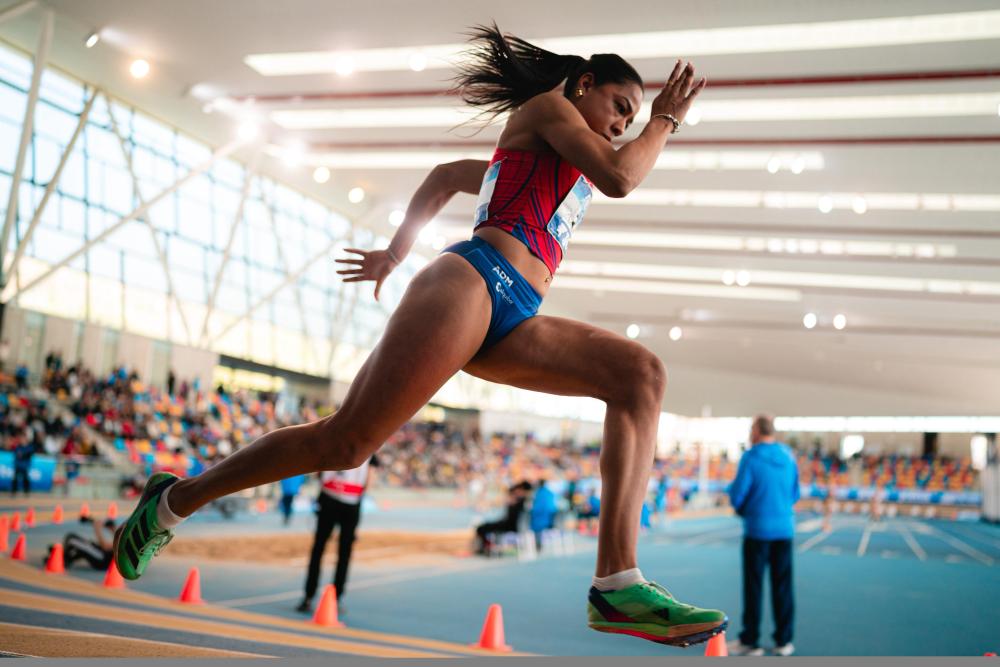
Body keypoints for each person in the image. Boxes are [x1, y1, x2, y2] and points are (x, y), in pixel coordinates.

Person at [113, 24, 722, 647]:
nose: (623, 125)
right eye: (620, 107)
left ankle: (616, 584)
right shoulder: (549, 109)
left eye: (632, 119)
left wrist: (393, 252)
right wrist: (664, 119)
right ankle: (175, 500)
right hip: (472, 282)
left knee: (640, 376)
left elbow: (446, 176)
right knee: (346, 443)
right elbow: (621, 176)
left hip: (517, 315)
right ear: (584, 84)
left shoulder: (557, 159)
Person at [727, 415, 799, 657]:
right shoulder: (788, 456)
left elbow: (738, 494)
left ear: (757, 431)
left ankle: (751, 641)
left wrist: (744, 509)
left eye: (751, 429)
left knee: (754, 587)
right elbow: (795, 493)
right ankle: (784, 641)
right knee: (783, 587)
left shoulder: (751, 457)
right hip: (784, 530)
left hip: (757, 530)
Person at [296, 456, 377, 614]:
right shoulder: (367, 449)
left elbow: (319, 471)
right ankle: (333, 598)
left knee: (322, 549)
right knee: (340, 552)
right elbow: (370, 478)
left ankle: (310, 597)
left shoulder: (336, 445)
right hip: (346, 501)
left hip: (333, 498)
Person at [474, 480, 531, 554]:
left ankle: (487, 547)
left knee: (482, 528)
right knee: (483, 527)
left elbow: (511, 518)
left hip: (510, 526)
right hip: (509, 524)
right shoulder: (522, 502)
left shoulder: (520, 502)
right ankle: (488, 546)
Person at [51, 516, 117, 571]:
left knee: (71, 539)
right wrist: (112, 530)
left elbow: (105, 547)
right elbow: (113, 545)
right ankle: (63, 557)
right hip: (102, 556)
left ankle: (62, 558)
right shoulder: (120, 541)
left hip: (102, 559)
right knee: (80, 548)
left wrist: (97, 529)